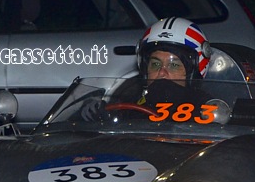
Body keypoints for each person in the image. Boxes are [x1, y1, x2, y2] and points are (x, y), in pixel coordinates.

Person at [82, 17, 213, 122]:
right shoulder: (132, 104)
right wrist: (99, 114)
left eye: (174, 65)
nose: (162, 73)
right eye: (155, 65)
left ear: (195, 70)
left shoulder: (208, 111)